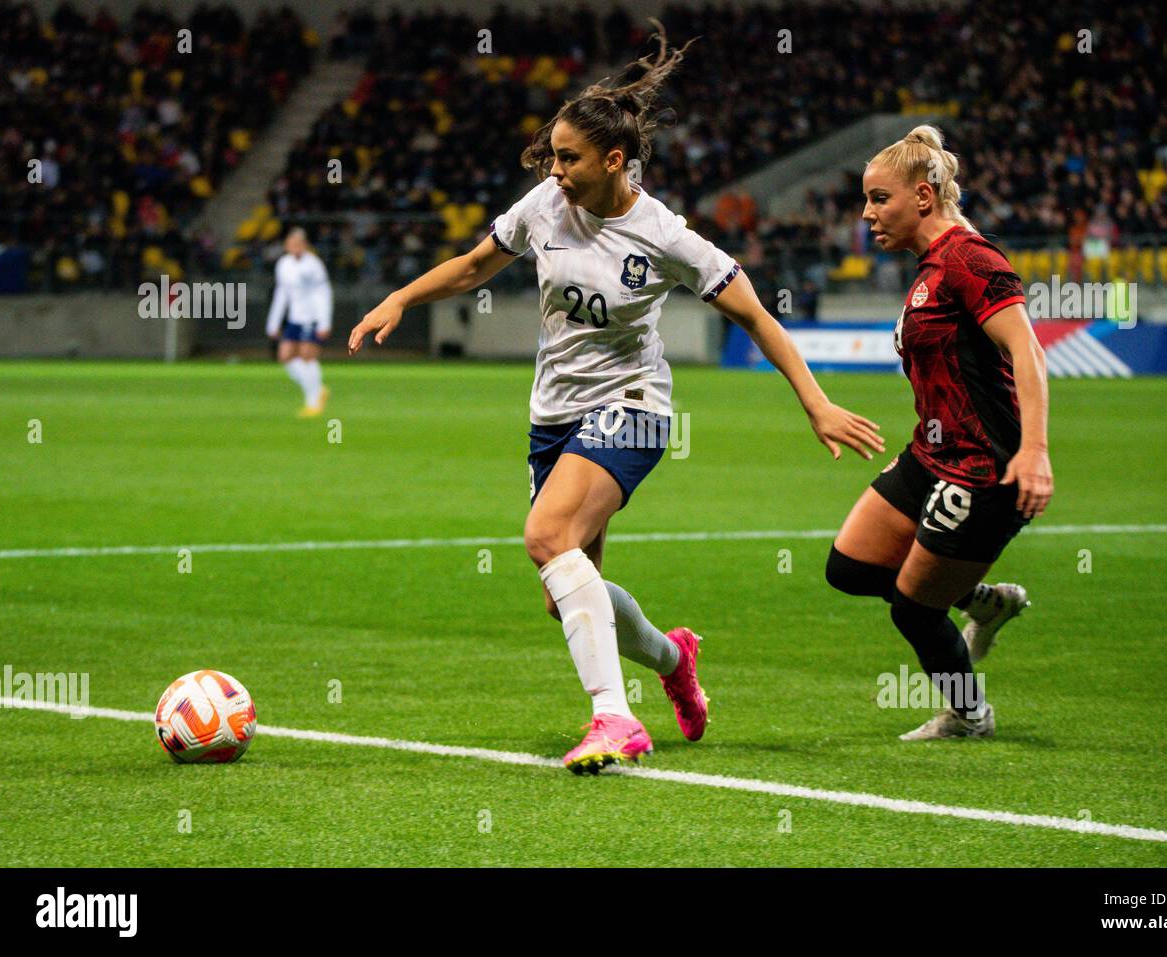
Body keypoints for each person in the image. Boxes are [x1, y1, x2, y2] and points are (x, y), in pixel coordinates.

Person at [348, 25, 883, 773]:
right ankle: (673, 658)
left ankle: (614, 718)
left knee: (544, 537)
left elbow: (756, 315)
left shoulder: (664, 236)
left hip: (632, 406)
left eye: (568, 157)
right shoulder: (544, 206)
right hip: (553, 413)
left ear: (614, 159)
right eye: (553, 156)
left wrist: (816, 404)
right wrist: (397, 299)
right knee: (568, 587)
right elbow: (474, 266)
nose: (555, 169)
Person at [825, 125, 1053, 740]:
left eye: (879, 199)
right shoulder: (932, 265)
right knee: (848, 567)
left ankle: (968, 715)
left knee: (913, 606)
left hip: (984, 467)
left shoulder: (969, 259)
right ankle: (984, 602)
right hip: (932, 454)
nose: (867, 215)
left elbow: (1027, 350)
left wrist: (1034, 450)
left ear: (922, 197)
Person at [266, 228, 332, 417]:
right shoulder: (283, 264)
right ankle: (319, 390)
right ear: (287, 246)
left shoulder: (314, 265)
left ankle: (313, 402)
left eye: (298, 243)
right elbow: (282, 294)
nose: (295, 247)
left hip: (311, 317)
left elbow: (323, 293)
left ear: (305, 245)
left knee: (307, 356)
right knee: (285, 356)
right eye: (291, 243)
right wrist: (273, 322)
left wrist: (324, 322)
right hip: (295, 317)